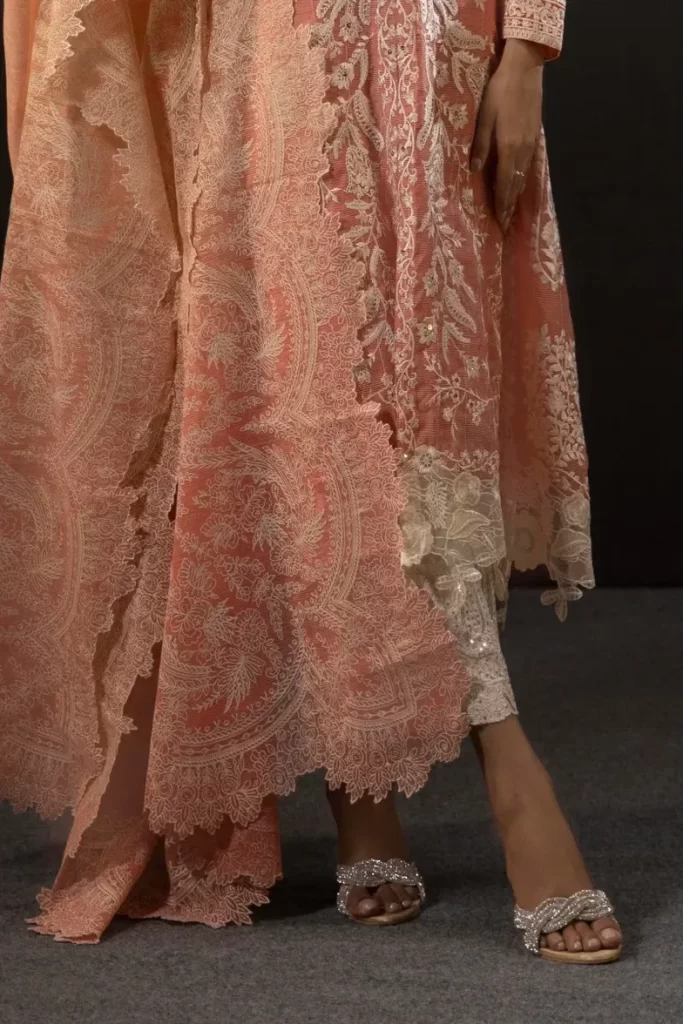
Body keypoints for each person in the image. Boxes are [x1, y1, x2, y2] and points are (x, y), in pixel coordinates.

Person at [0, 0, 622, 961]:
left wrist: (530, 47)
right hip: (264, 57)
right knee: (312, 422)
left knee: (422, 429)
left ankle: (402, 784)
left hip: (427, 45)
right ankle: (459, 785)